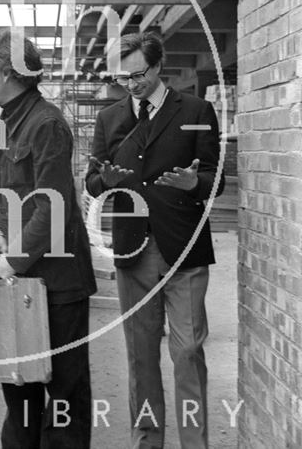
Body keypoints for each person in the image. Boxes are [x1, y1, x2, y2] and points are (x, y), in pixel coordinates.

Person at [85, 31, 225, 449]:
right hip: (134, 252)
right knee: (141, 357)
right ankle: (146, 442)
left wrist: (191, 183)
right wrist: (103, 181)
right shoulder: (110, 119)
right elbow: (92, 180)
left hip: (183, 247)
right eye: (124, 78)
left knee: (187, 352)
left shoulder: (197, 110)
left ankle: (194, 443)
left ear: (158, 65)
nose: (132, 84)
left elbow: (214, 178)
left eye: (139, 74)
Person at [0, 29, 96, 449]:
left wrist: (12, 261)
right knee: (20, 388)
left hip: (59, 284)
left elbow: (54, 206)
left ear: (9, 73)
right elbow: (7, 190)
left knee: (64, 393)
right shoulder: (9, 123)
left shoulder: (46, 124)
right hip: (25, 283)